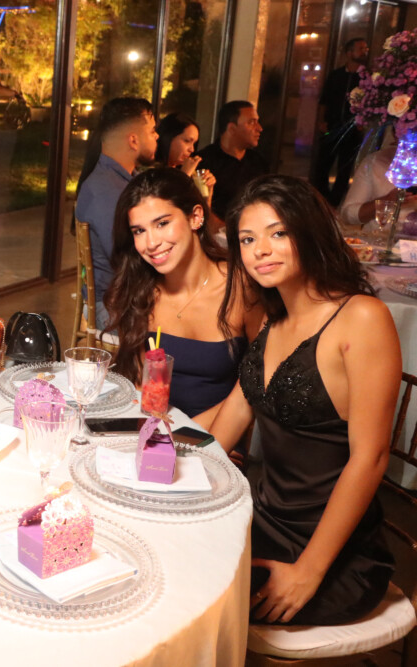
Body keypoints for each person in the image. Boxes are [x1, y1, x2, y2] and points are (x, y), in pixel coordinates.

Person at [210, 174, 398, 625]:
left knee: (197, 604)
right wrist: (170, 473)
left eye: (278, 233)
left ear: (309, 231)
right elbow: (235, 411)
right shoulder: (272, 319)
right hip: (261, 518)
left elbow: (371, 457)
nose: (261, 250)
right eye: (248, 239)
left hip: (330, 551)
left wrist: (308, 572)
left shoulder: (362, 318)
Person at [104, 168, 262, 429]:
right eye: (139, 231)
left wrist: (187, 436)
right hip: (156, 432)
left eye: (162, 224)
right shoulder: (141, 290)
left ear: (195, 217)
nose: (151, 243)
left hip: (219, 434)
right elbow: (141, 388)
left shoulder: (241, 287)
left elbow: (257, 384)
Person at [75, 97, 159, 329]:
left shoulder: (123, 180)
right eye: (152, 131)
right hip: (115, 306)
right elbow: (127, 258)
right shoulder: (106, 189)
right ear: (133, 140)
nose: (157, 136)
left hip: (129, 296)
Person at [312, 38, 368, 207]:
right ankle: (320, 199)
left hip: (353, 129)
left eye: (365, 49)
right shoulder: (336, 75)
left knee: (344, 169)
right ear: (349, 53)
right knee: (322, 165)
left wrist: (363, 123)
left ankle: (334, 203)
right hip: (332, 126)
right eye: (360, 48)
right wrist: (321, 121)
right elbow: (324, 100)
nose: (364, 52)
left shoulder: (367, 78)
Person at [195, 101, 268, 220]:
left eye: (257, 122)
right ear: (232, 128)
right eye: (251, 122)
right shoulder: (203, 162)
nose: (259, 128)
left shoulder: (259, 162)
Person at [340, 128, 417, 231]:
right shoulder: (375, 161)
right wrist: (387, 201)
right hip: (379, 238)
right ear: (396, 134)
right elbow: (348, 215)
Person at [155, 112, 219, 229]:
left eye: (194, 143)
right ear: (168, 138)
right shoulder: (152, 172)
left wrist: (207, 195)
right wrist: (184, 176)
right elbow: (162, 209)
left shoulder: (187, 172)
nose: (192, 149)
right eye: (187, 141)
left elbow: (203, 222)